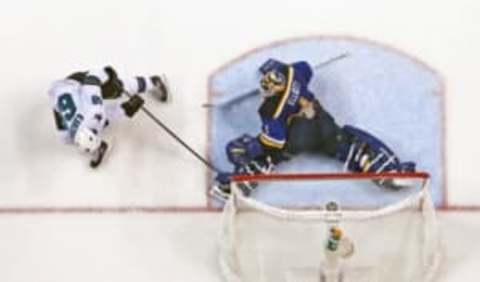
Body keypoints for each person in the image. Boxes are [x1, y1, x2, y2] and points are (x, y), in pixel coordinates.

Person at [211, 59, 415, 200]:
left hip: (296, 139)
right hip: (322, 125)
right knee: (352, 142)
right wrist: (279, 68)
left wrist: (251, 148)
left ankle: (235, 186)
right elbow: (307, 67)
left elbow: (276, 141)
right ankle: (390, 171)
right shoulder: (294, 74)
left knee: (269, 156)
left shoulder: (270, 111)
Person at [48, 66, 169, 168]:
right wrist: (126, 110)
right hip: (58, 91)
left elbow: (92, 80)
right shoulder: (69, 136)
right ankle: (96, 145)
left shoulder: (93, 110)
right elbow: (102, 119)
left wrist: (107, 76)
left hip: (75, 82)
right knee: (94, 125)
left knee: (116, 90)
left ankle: (153, 81)